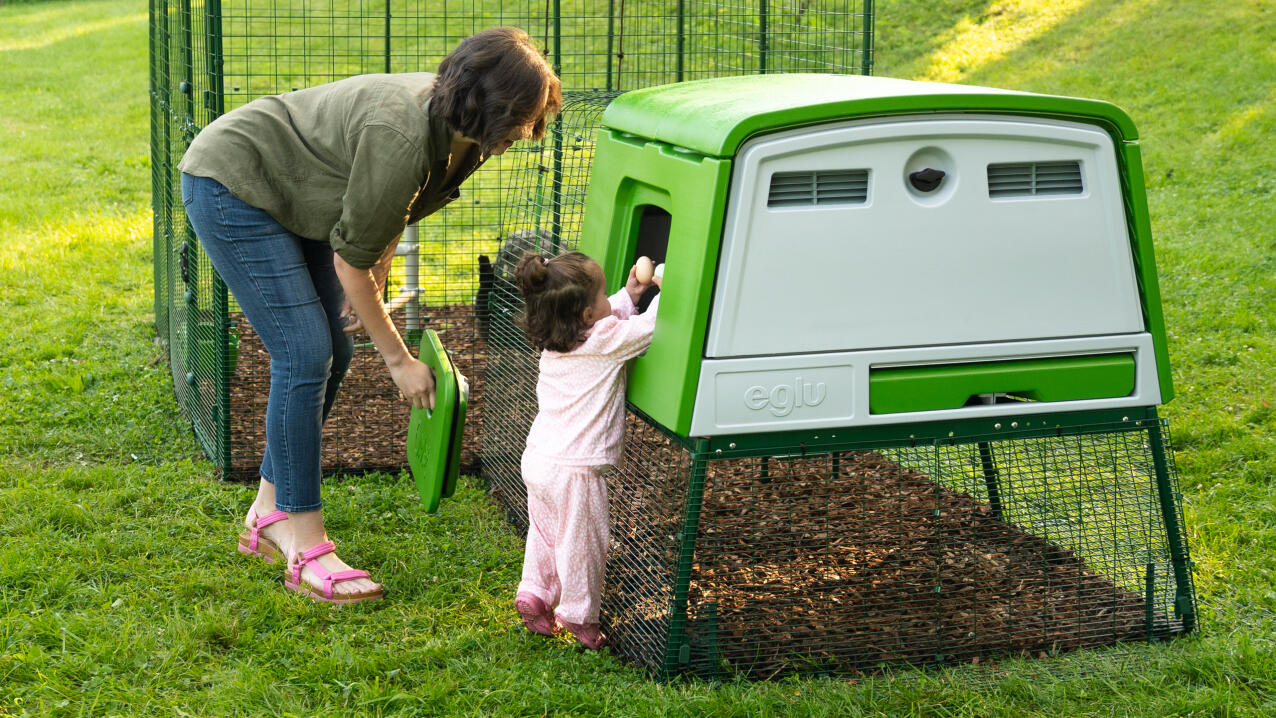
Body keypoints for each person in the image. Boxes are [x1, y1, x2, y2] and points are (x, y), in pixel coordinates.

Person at [179, 27, 561, 604]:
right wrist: (399, 360)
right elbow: (352, 257)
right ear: (492, 104)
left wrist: (377, 273)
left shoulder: (468, 137)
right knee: (305, 351)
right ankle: (305, 541)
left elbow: (384, 213)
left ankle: (267, 510)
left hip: (300, 192)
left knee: (331, 347)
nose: (529, 131)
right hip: (237, 182)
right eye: (524, 116)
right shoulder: (403, 134)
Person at [511, 251, 662, 649]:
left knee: (545, 534)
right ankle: (579, 617)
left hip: (540, 460)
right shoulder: (605, 341)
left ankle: (535, 591)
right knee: (583, 545)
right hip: (576, 471)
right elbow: (650, 328)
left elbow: (608, 320)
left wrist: (630, 294)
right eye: (602, 296)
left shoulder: (557, 342)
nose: (608, 302)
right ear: (587, 316)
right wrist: (668, 290)